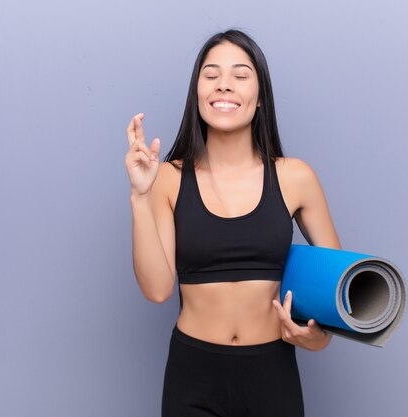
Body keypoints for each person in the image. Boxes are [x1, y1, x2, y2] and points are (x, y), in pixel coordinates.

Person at [125, 29, 341, 417]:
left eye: (240, 76)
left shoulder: (295, 177)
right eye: (211, 76)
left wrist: (317, 339)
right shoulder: (168, 178)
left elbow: (336, 295)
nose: (224, 85)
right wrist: (140, 196)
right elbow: (157, 290)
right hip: (193, 374)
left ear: (260, 99)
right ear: (197, 94)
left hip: (272, 374)